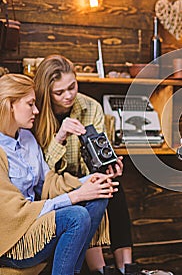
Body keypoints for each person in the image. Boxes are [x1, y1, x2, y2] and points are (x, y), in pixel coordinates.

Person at [0, 74, 118, 275]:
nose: (36, 111)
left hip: (34, 224)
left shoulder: (27, 138)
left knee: (99, 197)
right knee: (76, 216)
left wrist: (88, 181)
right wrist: (76, 195)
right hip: (13, 238)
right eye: (30, 104)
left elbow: (47, 182)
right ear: (10, 105)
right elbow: (12, 213)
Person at [33, 55, 133, 275]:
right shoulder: (36, 114)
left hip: (85, 176)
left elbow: (99, 152)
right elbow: (42, 172)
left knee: (112, 187)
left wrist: (109, 166)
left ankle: (127, 268)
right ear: (46, 92)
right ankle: (99, 269)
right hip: (55, 184)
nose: (69, 95)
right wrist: (59, 137)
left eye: (72, 86)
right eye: (59, 92)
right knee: (92, 195)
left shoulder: (90, 107)